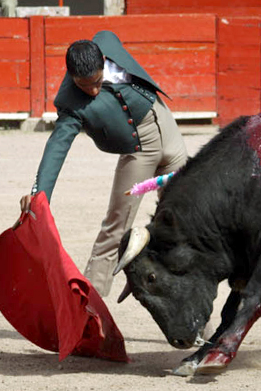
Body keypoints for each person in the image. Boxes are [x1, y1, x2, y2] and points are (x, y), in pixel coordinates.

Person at [20, 31, 188, 297]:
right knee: (116, 227)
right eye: (84, 86)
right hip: (138, 152)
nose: (93, 90)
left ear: (103, 62)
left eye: (97, 81)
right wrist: (38, 193)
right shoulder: (70, 103)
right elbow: (57, 146)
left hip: (168, 130)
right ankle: (88, 310)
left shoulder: (107, 41)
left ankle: (199, 322)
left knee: (186, 221)